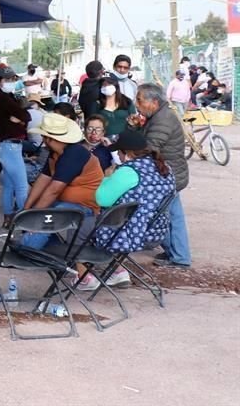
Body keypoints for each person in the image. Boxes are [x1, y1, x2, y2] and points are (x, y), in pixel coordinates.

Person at [72, 130, 177, 291]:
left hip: (131, 232)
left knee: (80, 226)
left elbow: (102, 199)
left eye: (118, 152)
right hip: (155, 230)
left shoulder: (129, 171)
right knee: (117, 219)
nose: (118, 156)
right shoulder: (164, 167)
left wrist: (107, 177)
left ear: (126, 153)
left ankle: (84, 277)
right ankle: (118, 270)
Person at [19, 114, 103, 249]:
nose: (42, 139)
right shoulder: (56, 152)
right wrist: (27, 208)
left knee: (48, 216)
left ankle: (27, 249)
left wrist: (34, 215)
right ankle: (48, 248)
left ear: (49, 139)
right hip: (67, 202)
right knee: (39, 209)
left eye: (44, 137)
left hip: (84, 206)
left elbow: (54, 190)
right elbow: (43, 179)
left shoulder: (74, 153)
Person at [132, 84, 190, 268]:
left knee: (169, 217)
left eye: (140, 100)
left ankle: (180, 257)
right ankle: (177, 253)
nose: (137, 104)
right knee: (168, 215)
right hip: (169, 174)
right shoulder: (158, 116)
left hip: (167, 175)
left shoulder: (162, 120)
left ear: (154, 102)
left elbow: (150, 147)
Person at [0, 66, 30, 227]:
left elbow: (23, 116)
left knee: (9, 185)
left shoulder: (1, 97)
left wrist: (19, 119)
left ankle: (8, 218)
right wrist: (20, 119)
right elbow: (26, 115)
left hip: (3, 146)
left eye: (13, 79)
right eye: (8, 79)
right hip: (10, 145)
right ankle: (26, 221)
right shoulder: (3, 98)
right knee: (21, 186)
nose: (12, 82)